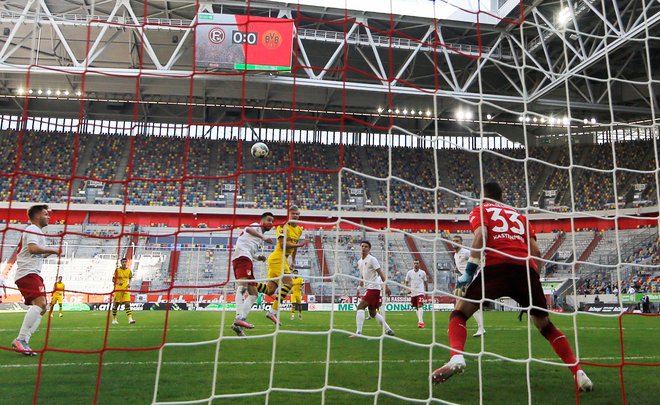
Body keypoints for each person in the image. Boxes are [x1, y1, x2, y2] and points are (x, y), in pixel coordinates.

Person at [432, 182, 593, 392]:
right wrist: (534, 278)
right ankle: (579, 372)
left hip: (497, 267)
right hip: (526, 270)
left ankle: (457, 357)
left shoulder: (481, 209)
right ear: (502, 196)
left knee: (459, 313)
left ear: (484, 196)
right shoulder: (521, 216)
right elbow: (535, 250)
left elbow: (481, 237)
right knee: (545, 326)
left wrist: (469, 272)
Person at [12, 204, 60, 356]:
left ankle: (23, 340)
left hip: (32, 273)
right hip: (27, 273)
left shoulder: (37, 232)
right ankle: (21, 339)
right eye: (46, 214)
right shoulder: (32, 229)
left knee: (43, 307)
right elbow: (33, 249)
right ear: (38, 216)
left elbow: (37, 253)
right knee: (41, 304)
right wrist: (51, 250)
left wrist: (51, 253)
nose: (49, 217)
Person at [256, 206, 307, 325]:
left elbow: (293, 247)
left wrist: (293, 260)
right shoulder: (282, 226)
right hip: (278, 257)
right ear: (288, 215)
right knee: (289, 283)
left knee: (270, 290)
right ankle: (272, 312)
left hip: (282, 260)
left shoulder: (299, 230)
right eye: (293, 214)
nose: (296, 216)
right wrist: (299, 245)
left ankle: (248, 284)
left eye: (297, 214)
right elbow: (283, 243)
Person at [231, 212, 275, 336]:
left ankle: (238, 324)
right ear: (261, 221)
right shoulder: (256, 227)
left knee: (254, 294)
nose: (270, 223)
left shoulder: (257, 236)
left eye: (272, 221)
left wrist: (257, 257)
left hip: (247, 259)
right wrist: (263, 237)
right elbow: (247, 228)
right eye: (268, 220)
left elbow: (247, 245)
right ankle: (238, 318)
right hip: (242, 258)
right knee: (242, 287)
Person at [350, 240, 394, 338]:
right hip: (369, 288)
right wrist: (361, 281)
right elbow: (363, 275)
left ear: (369, 249)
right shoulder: (359, 262)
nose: (363, 248)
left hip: (374, 288)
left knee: (360, 307)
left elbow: (380, 272)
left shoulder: (372, 259)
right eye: (362, 246)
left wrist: (386, 286)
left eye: (366, 246)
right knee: (373, 313)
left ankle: (358, 333)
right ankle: (388, 330)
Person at [452, 235, 486, 337]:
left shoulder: (466, 252)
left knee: (467, 303)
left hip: (468, 280)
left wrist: (474, 274)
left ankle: (480, 327)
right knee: (459, 303)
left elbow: (478, 262)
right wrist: (458, 269)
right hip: (461, 280)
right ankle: (457, 326)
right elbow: (462, 266)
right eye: (453, 241)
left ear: (461, 242)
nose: (455, 242)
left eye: (457, 241)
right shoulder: (455, 255)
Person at [404, 259, 428, 328]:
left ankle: (421, 322)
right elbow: (406, 281)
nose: (416, 264)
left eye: (417, 263)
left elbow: (426, 282)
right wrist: (407, 288)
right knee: (416, 307)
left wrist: (426, 292)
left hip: (420, 291)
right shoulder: (409, 273)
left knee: (420, 306)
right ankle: (420, 321)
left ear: (419, 264)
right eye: (414, 263)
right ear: (413, 264)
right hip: (413, 292)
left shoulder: (423, 273)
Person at [111, 258, 135, 325]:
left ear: (127, 263)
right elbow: (113, 279)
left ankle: (130, 319)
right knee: (116, 305)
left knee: (127, 304)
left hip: (126, 289)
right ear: (121, 263)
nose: (124, 263)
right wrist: (118, 283)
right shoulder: (117, 270)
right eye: (123, 262)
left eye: (125, 262)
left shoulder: (129, 271)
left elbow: (130, 277)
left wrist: (129, 283)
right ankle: (114, 319)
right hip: (118, 289)